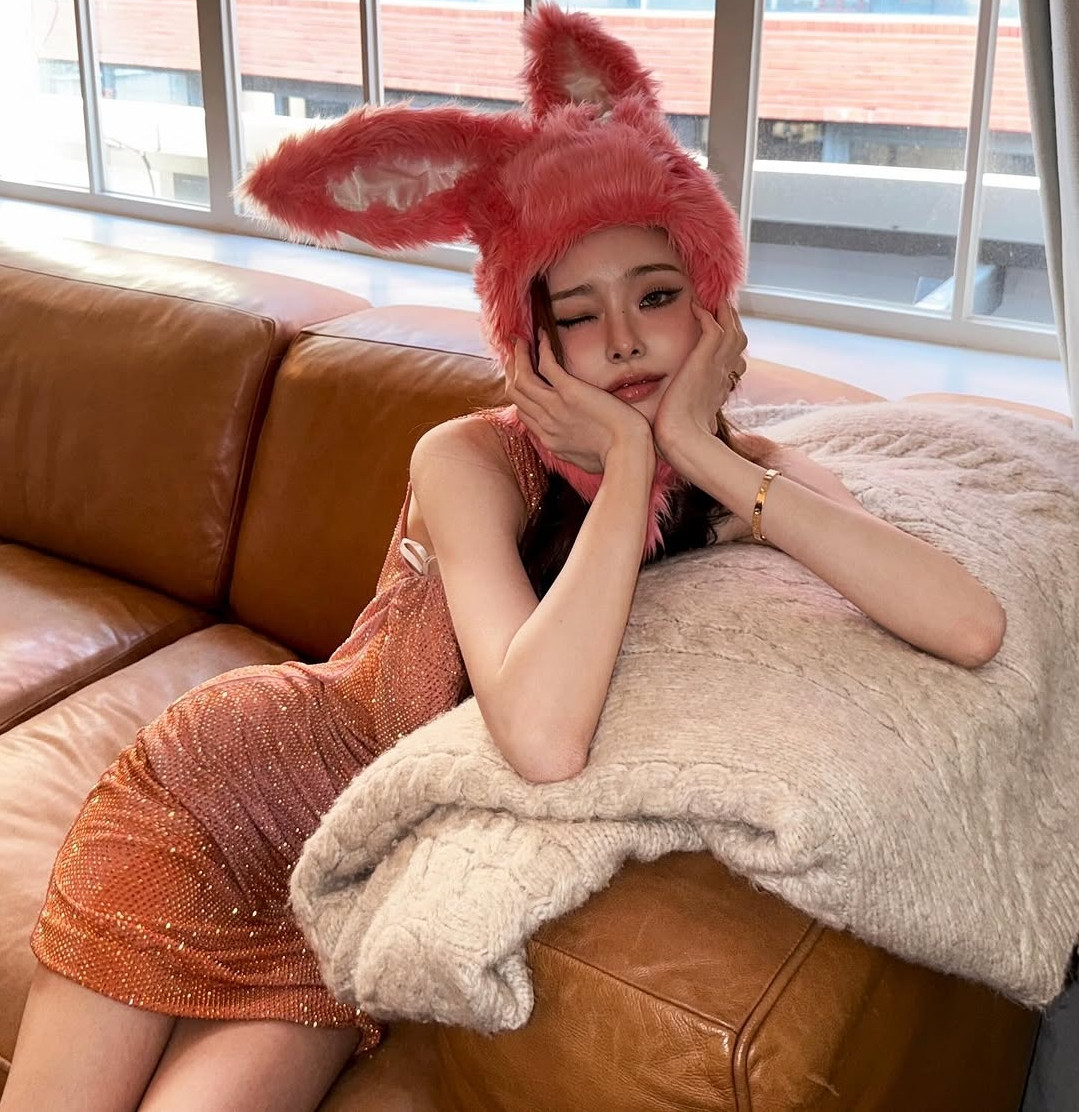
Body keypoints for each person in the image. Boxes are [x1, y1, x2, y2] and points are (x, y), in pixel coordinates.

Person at [0, 7, 1006, 1112]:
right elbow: (538, 730)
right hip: (223, 790)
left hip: (358, 870)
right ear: (531, 340)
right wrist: (631, 460)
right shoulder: (469, 459)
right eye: (577, 315)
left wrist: (694, 454)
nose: (623, 339)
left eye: (658, 296)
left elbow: (967, 624)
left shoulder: (743, 479)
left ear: (713, 309)